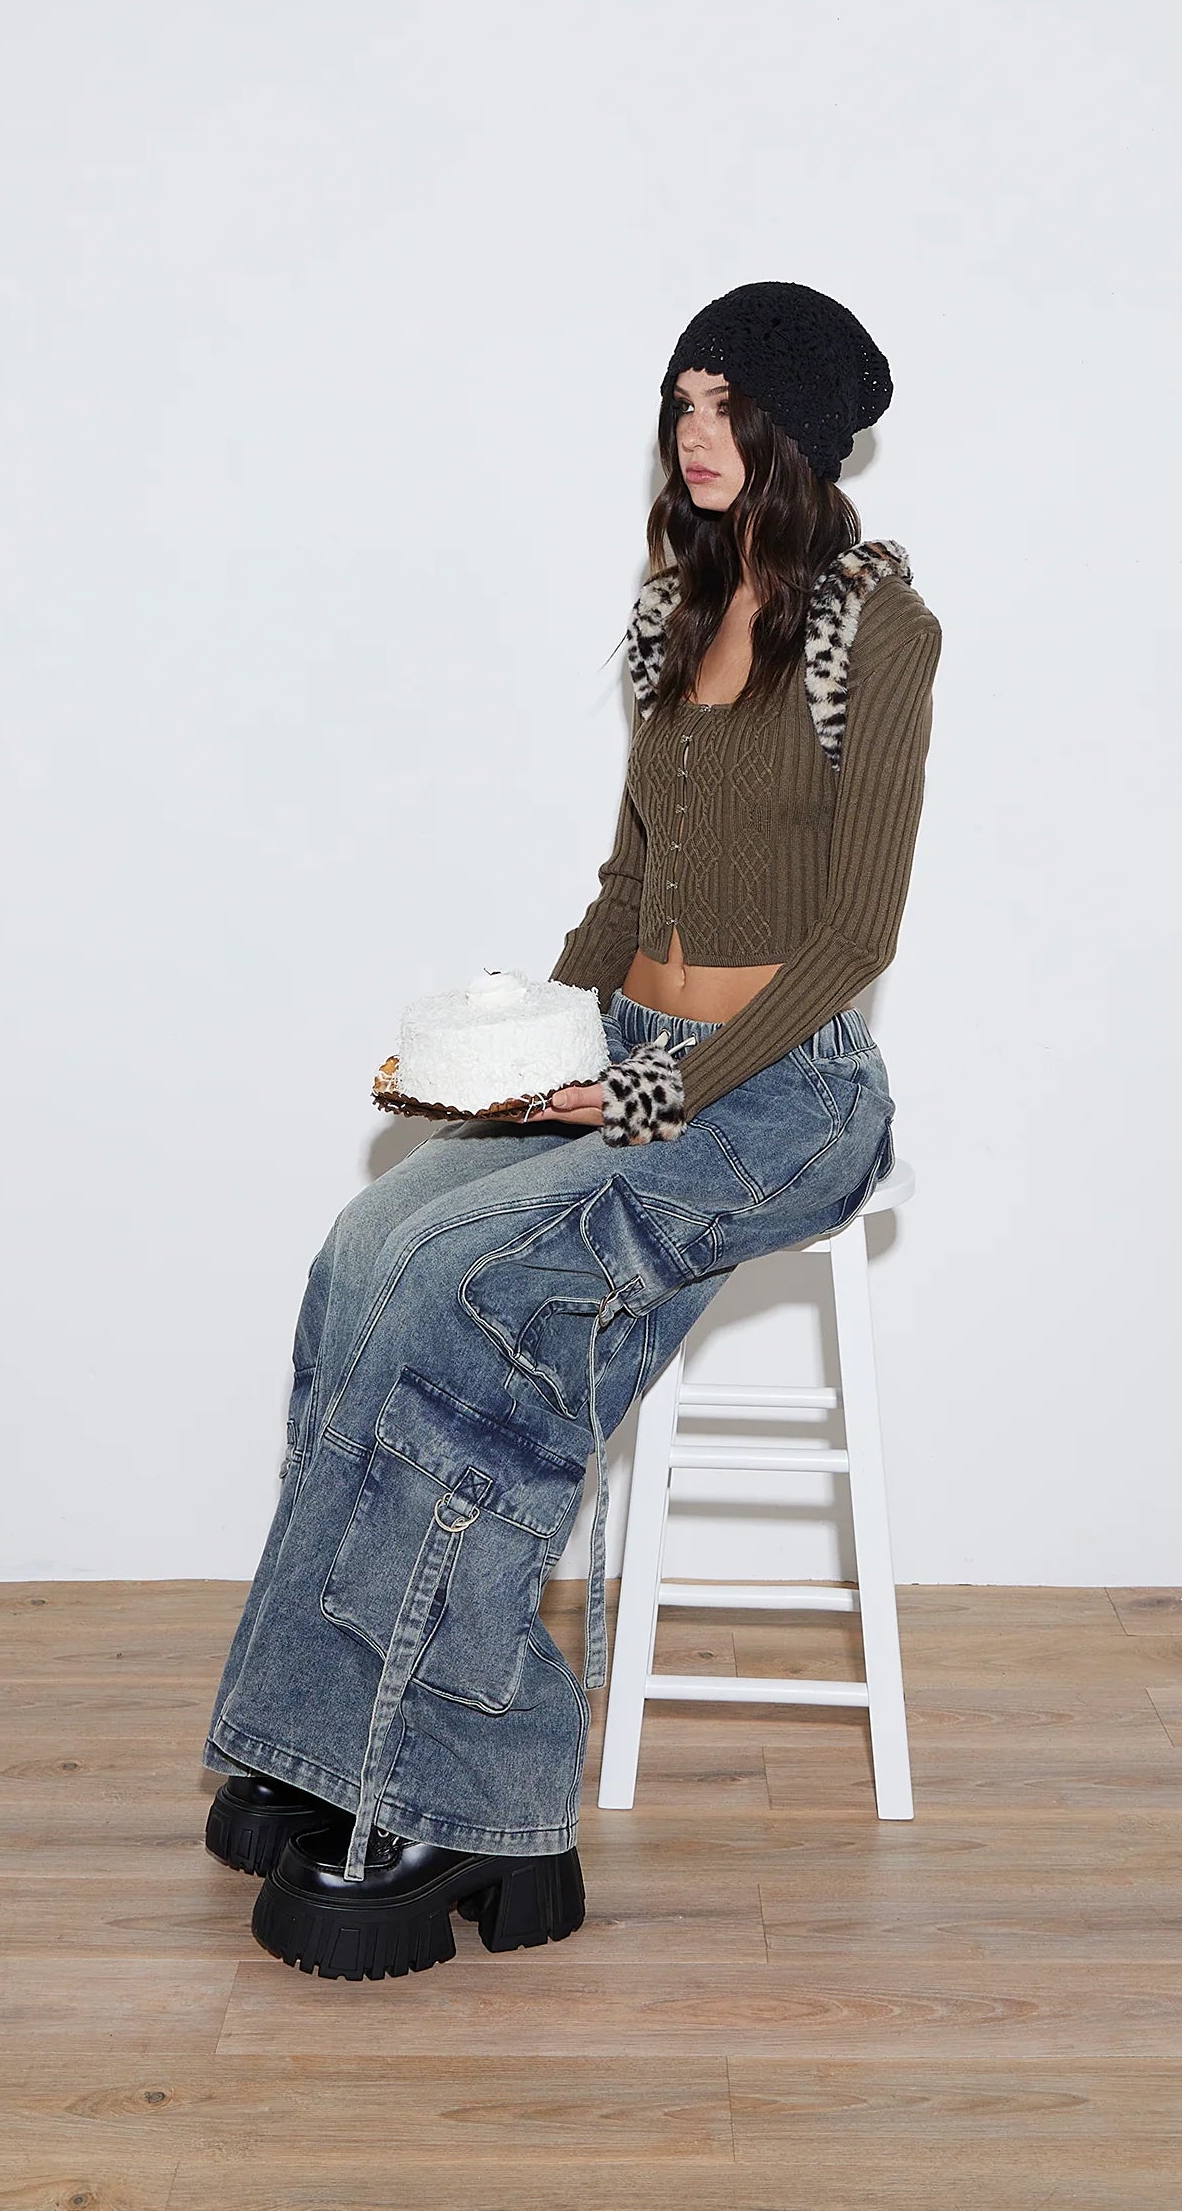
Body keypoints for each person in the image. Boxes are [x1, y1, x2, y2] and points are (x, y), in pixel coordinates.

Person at [202, 280, 942, 1981]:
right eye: (679, 401)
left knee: (475, 1289)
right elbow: (624, 891)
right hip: (632, 1052)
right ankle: (324, 1733)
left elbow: (855, 936)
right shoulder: (673, 610)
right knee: (368, 1249)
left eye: (724, 404)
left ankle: (477, 1794)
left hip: (790, 1093)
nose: (693, 432)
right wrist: (517, 1059)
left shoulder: (877, 630)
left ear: (795, 428)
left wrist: (664, 1087)